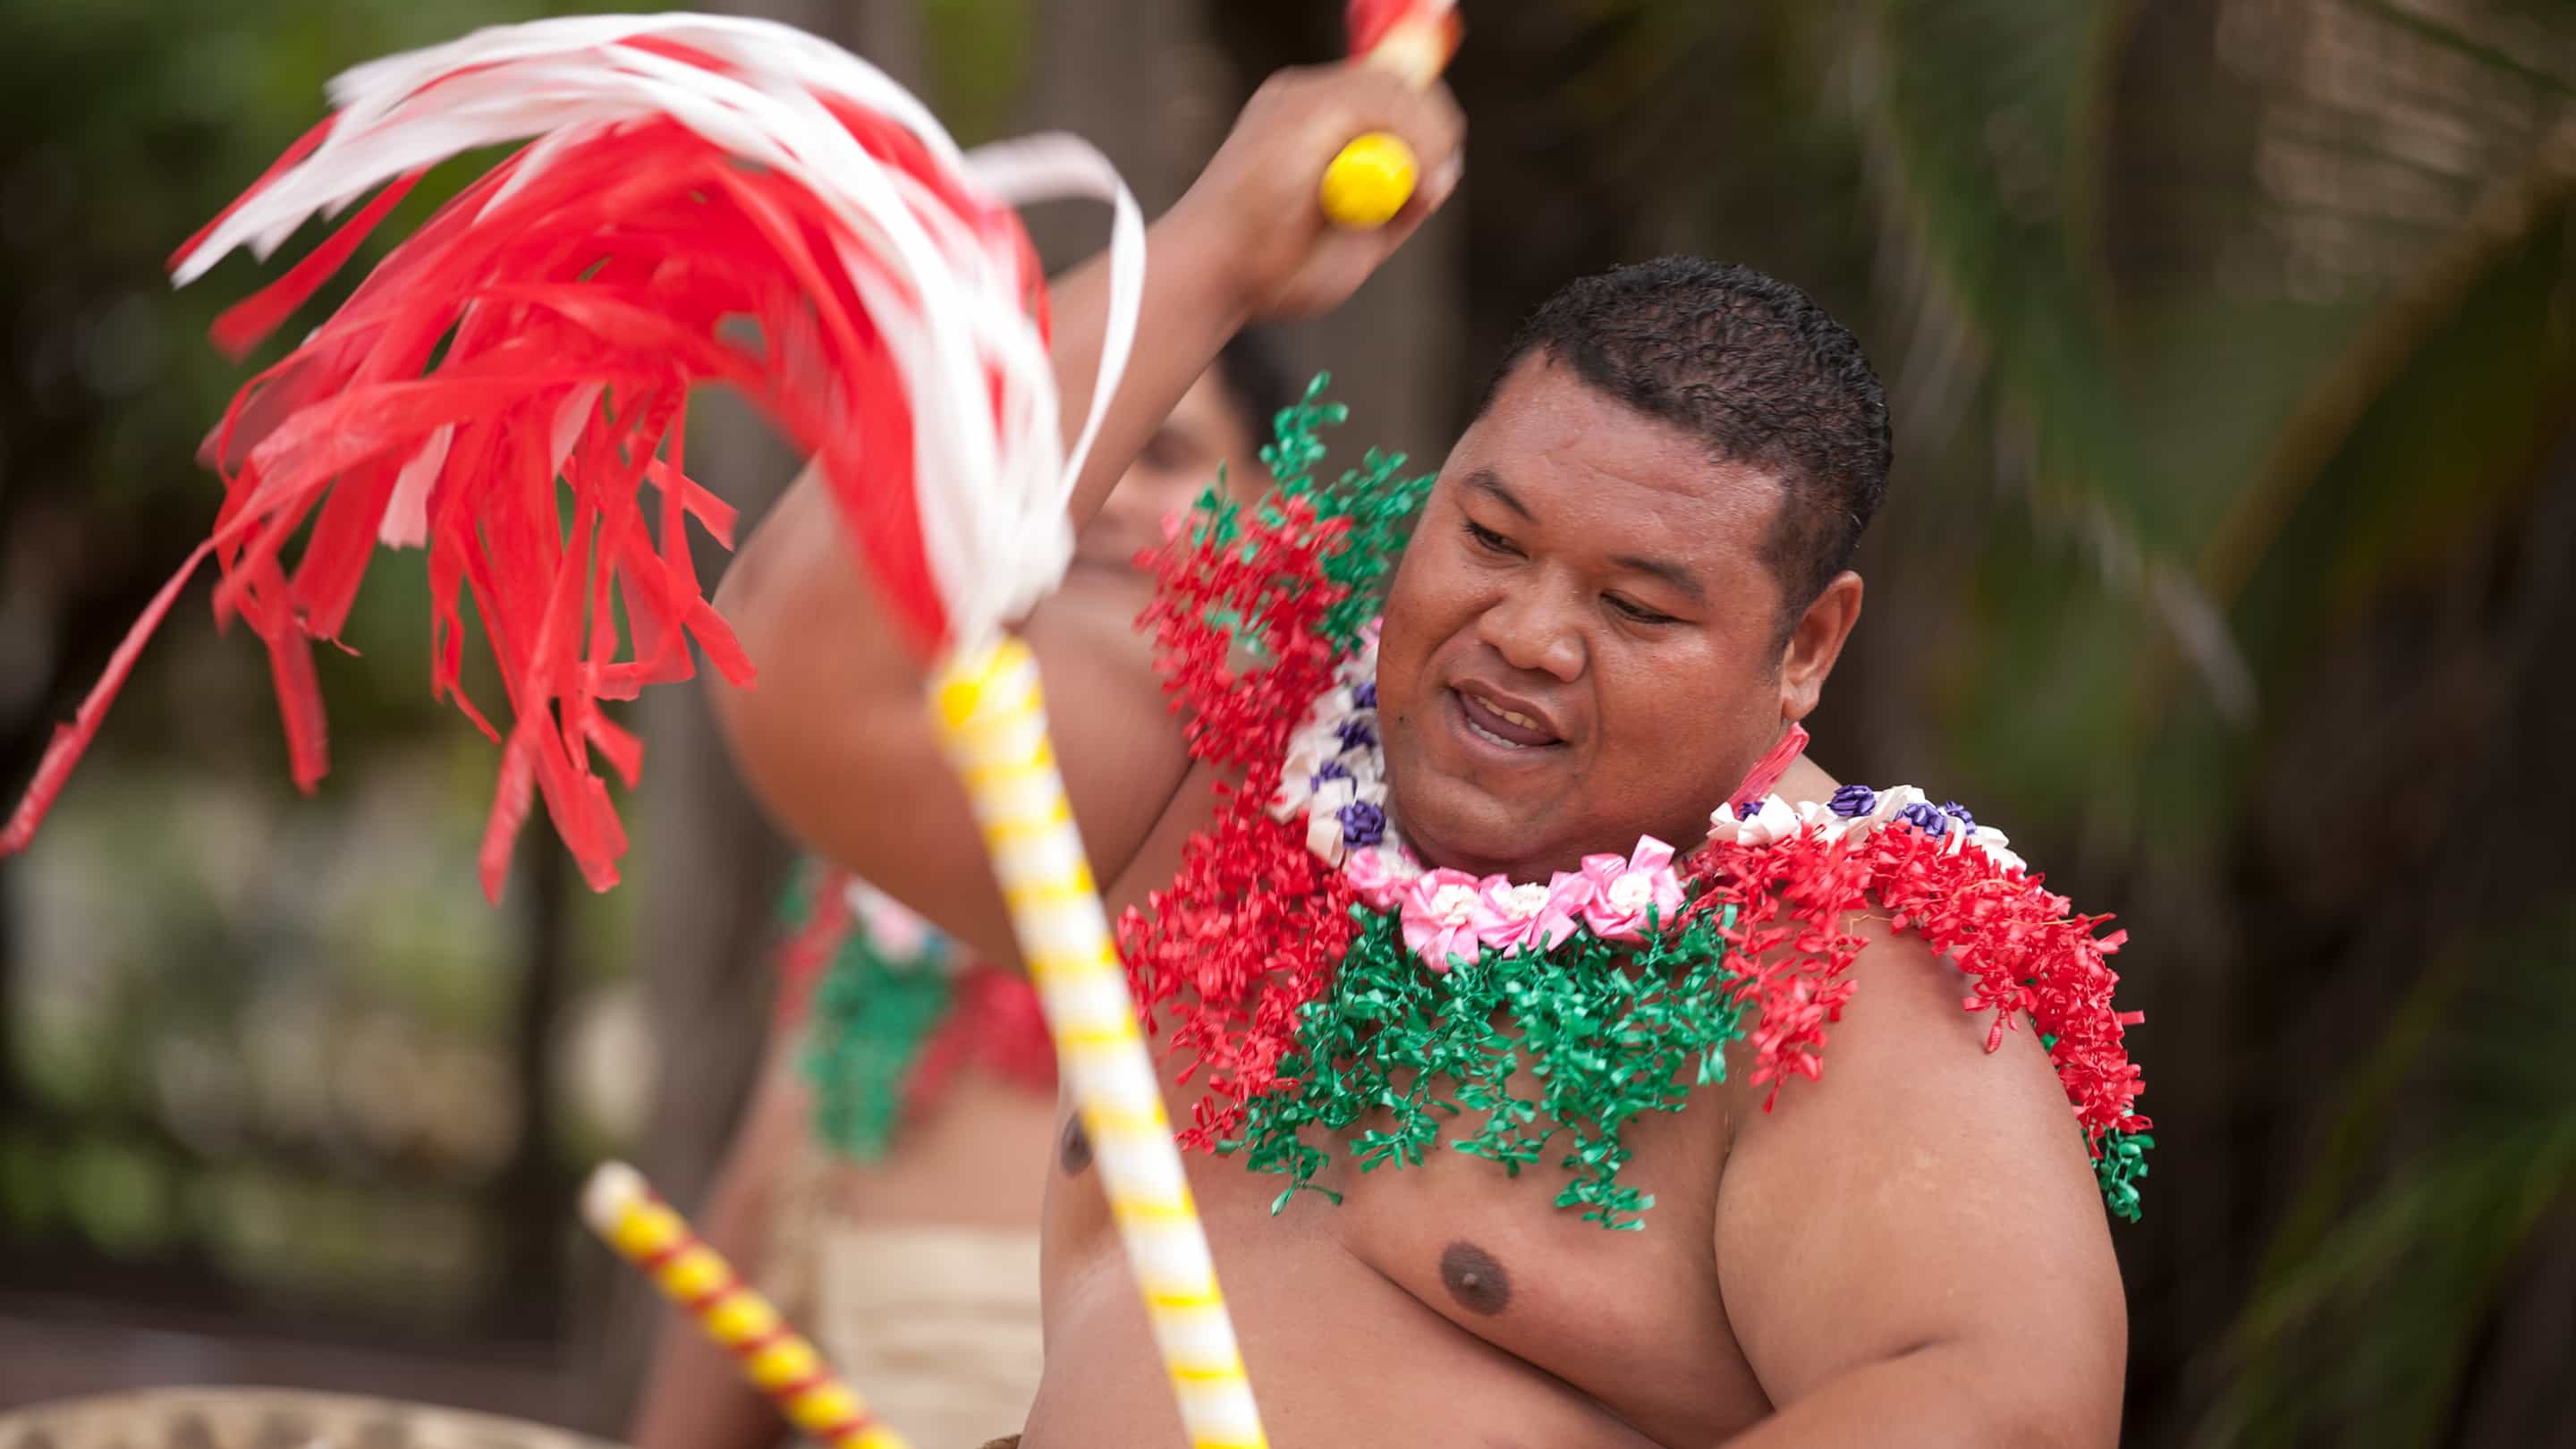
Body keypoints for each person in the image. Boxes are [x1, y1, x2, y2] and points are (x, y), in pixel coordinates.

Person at [714, 60, 2145, 1449]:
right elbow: (814, 652)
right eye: (1489, 538)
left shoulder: (1843, 980)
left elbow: (2002, 1409)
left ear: (1807, 647)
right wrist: (1210, 257)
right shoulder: (1224, 749)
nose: (1525, 634)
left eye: (1636, 608)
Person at [631, 337, 1294, 1449]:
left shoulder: (1346, 878)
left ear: (1278, 508)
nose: (1105, 500)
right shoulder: (880, 891)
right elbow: (748, 1245)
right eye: (1063, 463)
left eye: (1165, 454)